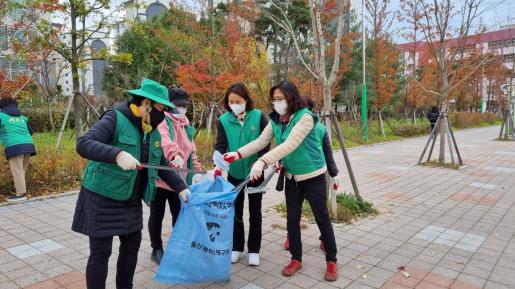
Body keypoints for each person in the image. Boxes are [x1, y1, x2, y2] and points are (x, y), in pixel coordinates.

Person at [71, 79, 190, 289]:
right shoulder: (115, 118)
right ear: (146, 103)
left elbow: (160, 163)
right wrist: (117, 154)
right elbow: (84, 143)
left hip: (130, 199)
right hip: (102, 196)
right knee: (101, 252)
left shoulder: (150, 129)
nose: (162, 115)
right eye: (161, 109)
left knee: (132, 245)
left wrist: (181, 188)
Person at [223, 80, 339, 281]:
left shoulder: (305, 118)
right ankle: (296, 258)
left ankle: (331, 260)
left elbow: (290, 145)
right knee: (292, 219)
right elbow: (261, 141)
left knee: (321, 218)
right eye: (274, 99)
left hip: (313, 175)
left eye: (281, 99)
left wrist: (261, 161)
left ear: (291, 98)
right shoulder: (276, 119)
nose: (276, 103)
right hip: (292, 176)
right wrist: (238, 154)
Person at [214, 83, 269, 266]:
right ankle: (236, 247)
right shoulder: (223, 120)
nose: (234, 105)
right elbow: (221, 145)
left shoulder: (259, 116)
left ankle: (254, 250)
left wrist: (260, 163)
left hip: (255, 172)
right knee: (235, 211)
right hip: (235, 173)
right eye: (231, 102)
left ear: (246, 100)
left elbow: (265, 143)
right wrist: (218, 161)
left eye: (238, 101)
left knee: (255, 211)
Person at [148, 87, 202, 264]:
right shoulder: (162, 121)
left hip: (179, 181)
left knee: (179, 214)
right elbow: (164, 140)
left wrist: (197, 171)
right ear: (169, 104)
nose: (181, 108)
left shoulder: (187, 126)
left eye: (184, 105)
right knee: (157, 215)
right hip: (161, 179)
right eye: (177, 105)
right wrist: (175, 154)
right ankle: (156, 247)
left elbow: (192, 151)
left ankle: (178, 246)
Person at [282, 95, 340, 252]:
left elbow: (328, 154)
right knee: (293, 213)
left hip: (316, 174)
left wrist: (334, 174)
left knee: (320, 212)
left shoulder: (320, 129)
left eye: (306, 109)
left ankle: (324, 239)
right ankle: (291, 238)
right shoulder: (290, 127)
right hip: (294, 176)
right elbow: (285, 149)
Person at [0, 97, 36, 202]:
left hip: (14, 146)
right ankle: (21, 191)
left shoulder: (1, 116)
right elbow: (31, 132)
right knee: (21, 171)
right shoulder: (23, 118)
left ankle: (21, 194)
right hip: (29, 145)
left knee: (17, 171)